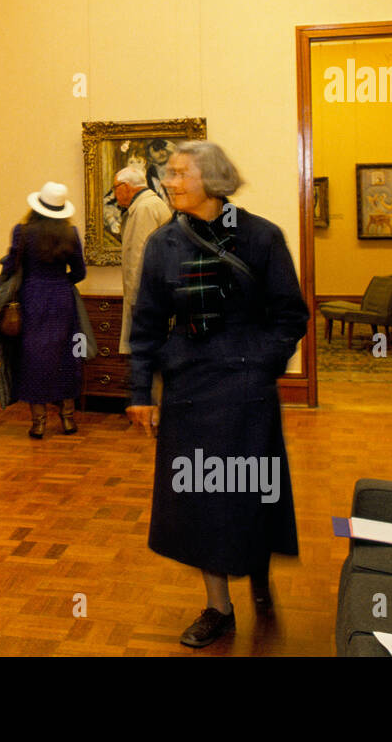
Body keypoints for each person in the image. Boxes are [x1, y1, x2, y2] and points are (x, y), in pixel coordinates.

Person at [126, 141, 308, 648]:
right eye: (169, 174)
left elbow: (291, 315)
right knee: (200, 498)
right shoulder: (164, 243)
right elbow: (145, 324)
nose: (172, 182)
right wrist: (141, 390)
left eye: (182, 174)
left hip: (248, 393)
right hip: (188, 391)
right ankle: (218, 607)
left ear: (214, 179)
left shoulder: (261, 237)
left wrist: (259, 361)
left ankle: (257, 572)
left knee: (249, 490)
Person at [0, 182, 88, 439]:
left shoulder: (22, 232)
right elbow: (80, 272)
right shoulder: (70, 233)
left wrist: (8, 290)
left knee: (34, 358)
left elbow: (11, 268)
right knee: (66, 357)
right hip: (62, 298)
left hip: (32, 298)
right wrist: (62, 284)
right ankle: (68, 420)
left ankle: (38, 423)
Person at [115, 165, 173, 355]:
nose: (114, 193)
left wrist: (136, 302)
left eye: (116, 187)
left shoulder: (144, 209)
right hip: (154, 300)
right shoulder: (147, 205)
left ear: (126, 186)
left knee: (149, 361)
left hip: (147, 303)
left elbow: (139, 260)